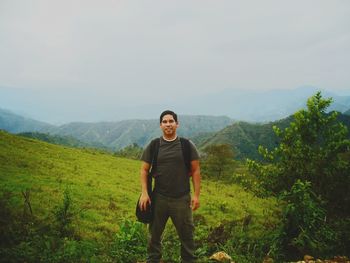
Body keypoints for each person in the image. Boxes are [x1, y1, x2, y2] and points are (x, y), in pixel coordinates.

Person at [139, 110, 201, 263]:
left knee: (187, 235)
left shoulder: (186, 145)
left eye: (171, 121)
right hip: (159, 197)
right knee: (154, 235)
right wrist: (144, 193)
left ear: (177, 124)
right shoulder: (154, 145)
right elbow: (144, 170)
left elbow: (195, 170)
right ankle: (153, 260)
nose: (168, 124)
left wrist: (196, 195)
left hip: (181, 198)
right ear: (160, 125)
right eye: (165, 122)